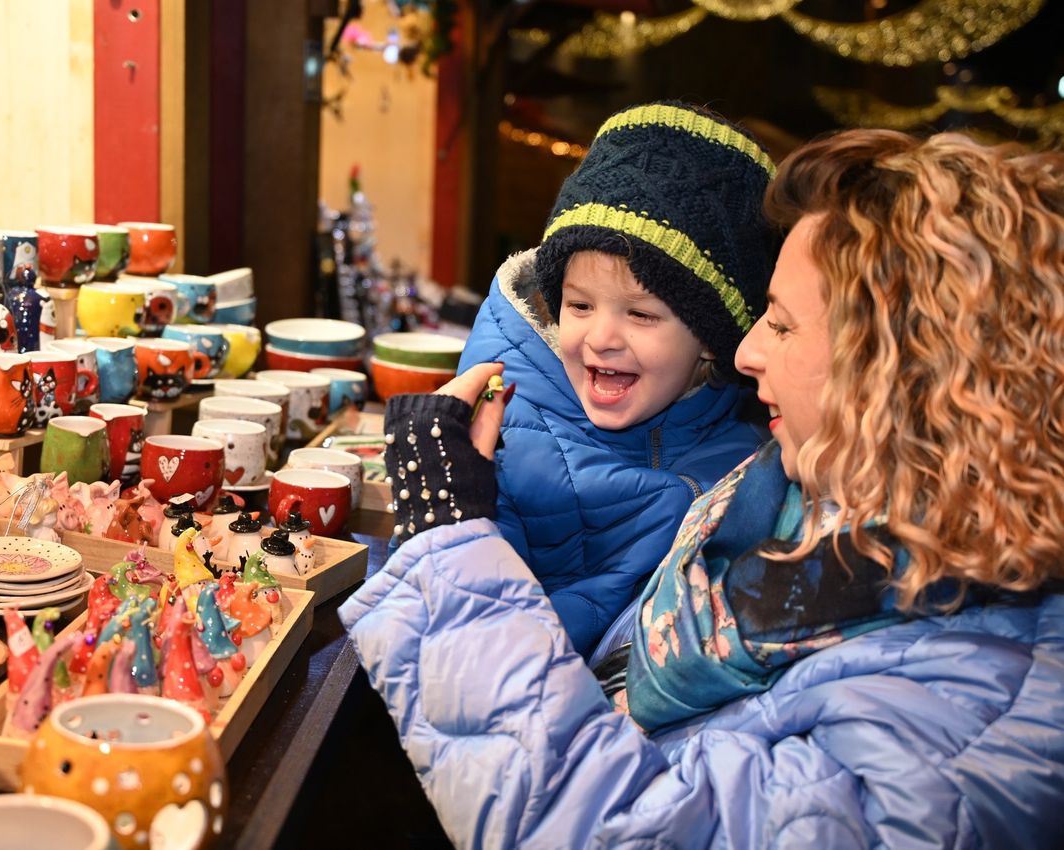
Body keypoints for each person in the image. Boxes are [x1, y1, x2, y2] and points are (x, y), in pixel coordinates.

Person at [340, 129, 1064, 848]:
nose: (746, 350)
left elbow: (622, 831)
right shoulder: (796, 505)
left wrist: (449, 535)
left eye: (780, 324)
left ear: (901, 368)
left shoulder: (952, 725)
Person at [455, 102, 777, 659]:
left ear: (709, 338)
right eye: (579, 305)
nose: (601, 336)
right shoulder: (509, 417)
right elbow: (467, 610)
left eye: (642, 314)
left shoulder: (751, 454)